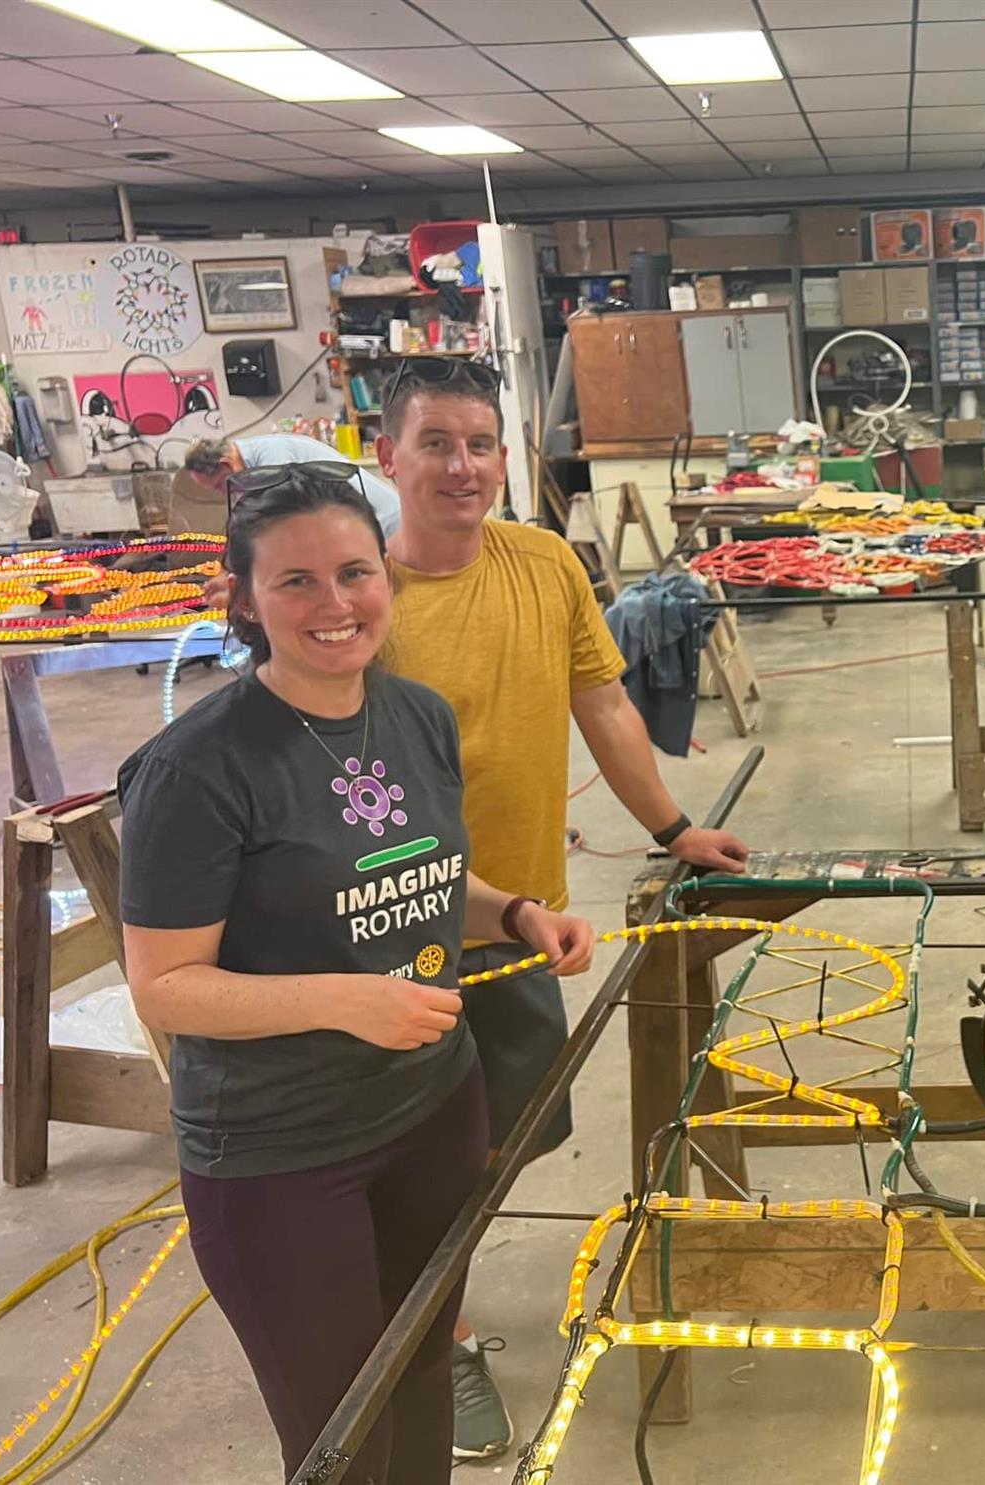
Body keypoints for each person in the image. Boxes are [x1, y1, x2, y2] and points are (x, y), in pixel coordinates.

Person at [118, 467, 596, 1483]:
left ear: (387, 577)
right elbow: (163, 984)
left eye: (354, 572)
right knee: (344, 1437)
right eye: (295, 581)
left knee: (421, 1385)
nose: (334, 603)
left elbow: (422, 872)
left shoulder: (414, 715)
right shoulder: (198, 769)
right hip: (283, 1151)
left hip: (431, 1110)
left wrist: (514, 912)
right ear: (243, 598)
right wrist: (346, 1001)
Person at [371, 357, 750, 1459]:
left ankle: (425, 1301)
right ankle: (434, 1341)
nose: (462, 466)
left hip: (521, 918)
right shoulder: (362, 594)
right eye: (435, 443)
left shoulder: (542, 564)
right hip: (393, 929)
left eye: (481, 443)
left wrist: (673, 827)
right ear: (387, 455)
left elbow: (602, 701)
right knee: (415, 1151)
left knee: (510, 1130)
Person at [183, 433, 402, 538]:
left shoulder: (272, 456)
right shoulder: (253, 465)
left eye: (219, 485)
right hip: (358, 523)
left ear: (226, 464)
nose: (224, 492)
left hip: (383, 521)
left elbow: (281, 518)